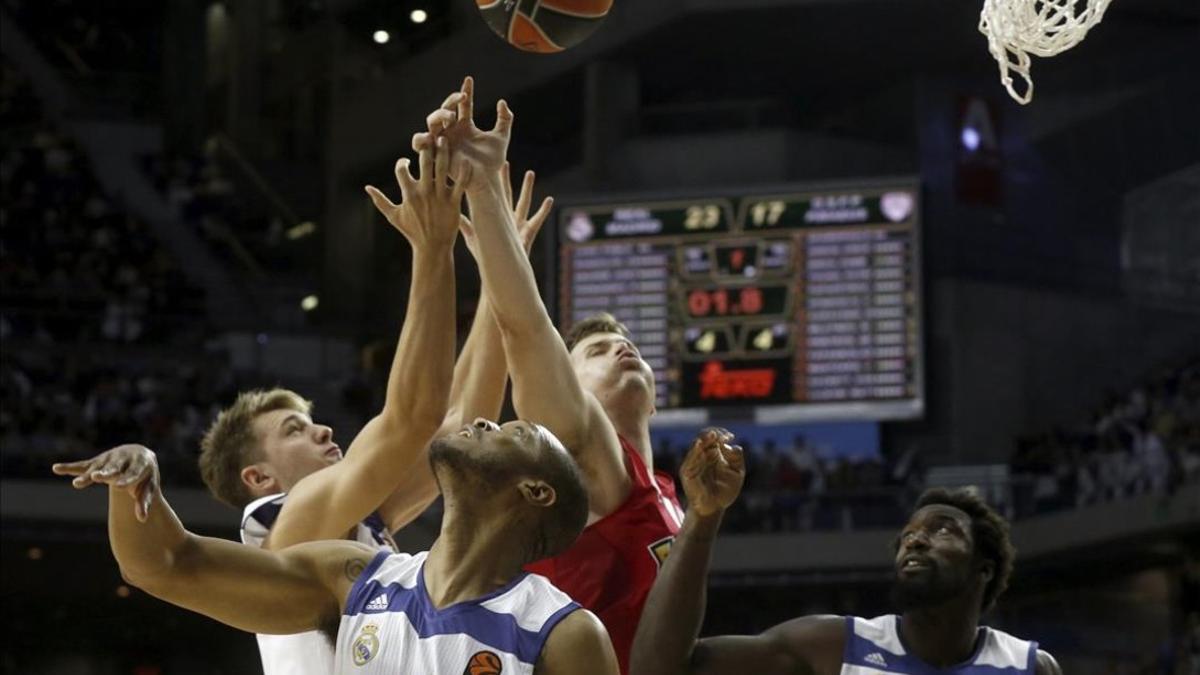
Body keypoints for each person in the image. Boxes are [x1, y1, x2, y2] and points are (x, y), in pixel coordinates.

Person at [195, 138, 553, 673]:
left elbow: (463, 424)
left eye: (312, 422)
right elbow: (416, 417)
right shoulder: (293, 528)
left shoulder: (362, 522)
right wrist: (431, 248)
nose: (321, 433)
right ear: (259, 478)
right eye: (294, 430)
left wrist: (503, 271)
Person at [417, 76, 684, 674]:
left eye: (627, 343)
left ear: (657, 400)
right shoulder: (579, 455)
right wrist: (485, 192)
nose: (620, 349)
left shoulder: (663, 490)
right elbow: (527, 332)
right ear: (563, 386)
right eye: (593, 351)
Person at [51, 420, 618, 675]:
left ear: (534, 491)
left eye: (512, 432)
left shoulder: (563, 633)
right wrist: (132, 487)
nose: (483, 419)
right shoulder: (353, 576)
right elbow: (165, 565)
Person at [630, 429, 1064, 675]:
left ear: (983, 569)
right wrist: (702, 519)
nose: (914, 539)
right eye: (908, 534)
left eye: (942, 530)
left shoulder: (1030, 667)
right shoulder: (834, 646)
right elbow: (658, 670)